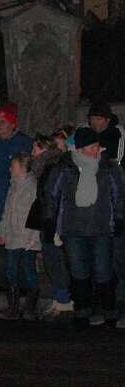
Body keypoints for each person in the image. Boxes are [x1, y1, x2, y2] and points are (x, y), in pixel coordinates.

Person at [45, 127, 125, 327]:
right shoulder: (65, 168)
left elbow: (119, 196)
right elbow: (52, 195)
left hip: (101, 228)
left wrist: (119, 218)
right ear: (80, 149)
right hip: (73, 229)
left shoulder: (108, 167)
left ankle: (108, 310)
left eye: (97, 146)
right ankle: (82, 311)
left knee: (103, 271)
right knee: (78, 272)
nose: (96, 150)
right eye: (91, 147)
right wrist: (49, 220)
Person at [0, 103, 33, 293]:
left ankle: (23, 282)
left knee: (19, 243)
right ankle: (3, 280)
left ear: (13, 124)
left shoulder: (24, 142)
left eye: (3, 122)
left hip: (18, 201)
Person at [28, 135, 72, 323]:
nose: (32, 154)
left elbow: (53, 198)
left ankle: (64, 302)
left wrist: (54, 226)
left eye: (35, 149)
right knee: (51, 261)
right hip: (47, 220)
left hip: (52, 222)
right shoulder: (46, 167)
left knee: (55, 261)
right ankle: (59, 300)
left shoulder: (52, 167)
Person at [0, 153, 41, 320]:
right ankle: (13, 307)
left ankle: (30, 307)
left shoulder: (32, 186)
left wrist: (33, 237)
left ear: (22, 168)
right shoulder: (13, 186)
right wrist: (3, 232)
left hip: (27, 237)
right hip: (13, 236)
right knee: (11, 270)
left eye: (13, 166)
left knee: (28, 269)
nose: (10, 169)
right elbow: (7, 212)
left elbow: (36, 214)